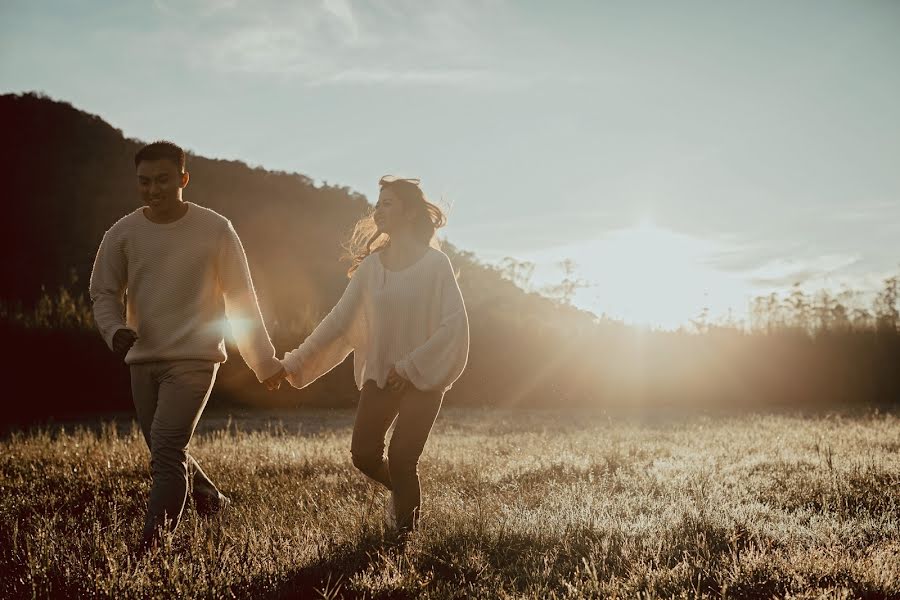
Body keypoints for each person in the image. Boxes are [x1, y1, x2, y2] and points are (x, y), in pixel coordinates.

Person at [89, 141, 283, 552]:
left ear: (183, 179)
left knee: (165, 452)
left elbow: (241, 298)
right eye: (144, 182)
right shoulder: (122, 233)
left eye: (162, 180)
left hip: (195, 360)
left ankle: (150, 551)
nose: (153, 189)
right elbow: (103, 292)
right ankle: (211, 498)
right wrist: (113, 330)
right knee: (166, 451)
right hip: (142, 360)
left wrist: (264, 364)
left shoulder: (215, 229)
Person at [265, 175, 469, 536]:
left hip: (425, 377)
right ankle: (407, 495)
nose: (378, 210)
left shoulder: (436, 266)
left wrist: (409, 367)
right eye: (377, 204)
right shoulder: (371, 269)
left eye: (387, 203)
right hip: (380, 376)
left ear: (408, 212)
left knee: (404, 459)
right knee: (363, 455)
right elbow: (338, 322)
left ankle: (404, 538)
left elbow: (453, 327)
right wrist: (292, 363)